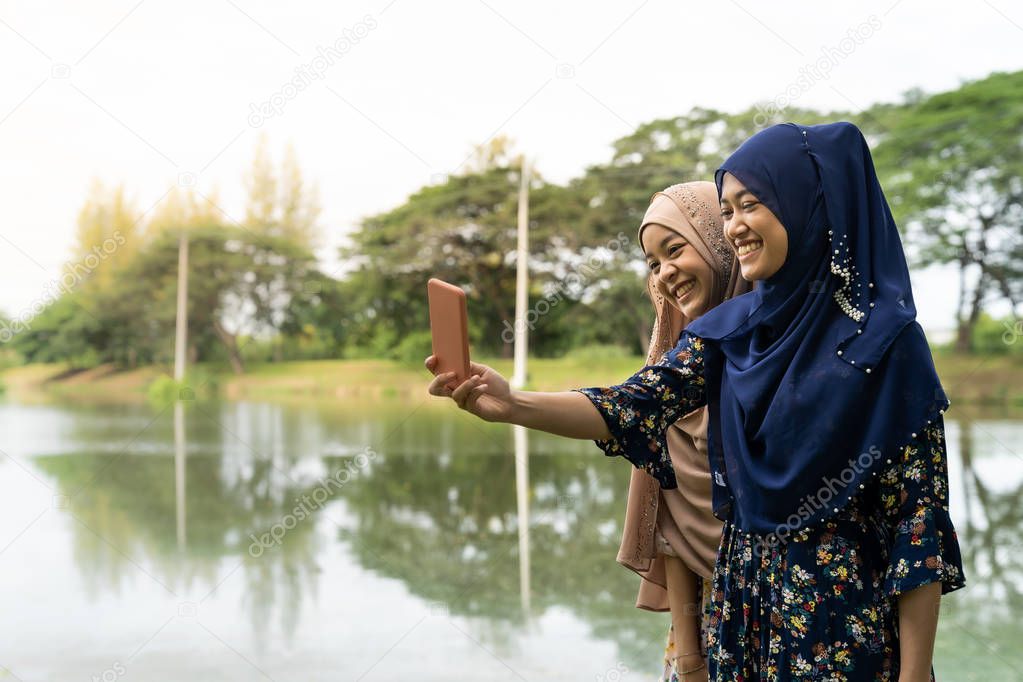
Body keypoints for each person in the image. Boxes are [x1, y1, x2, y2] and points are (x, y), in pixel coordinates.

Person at [426, 122, 964, 680]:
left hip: (842, 631)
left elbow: (916, 524)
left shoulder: (886, 343)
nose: (734, 226)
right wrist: (514, 404)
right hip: (740, 621)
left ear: (808, 202)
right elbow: (631, 405)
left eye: (750, 204)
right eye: (726, 210)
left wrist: (916, 671)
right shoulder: (729, 335)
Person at [626, 182, 750, 681]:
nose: (665, 273)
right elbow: (673, 531)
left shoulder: (779, 349)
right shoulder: (674, 374)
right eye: (653, 263)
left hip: (798, 626)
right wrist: (692, 658)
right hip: (704, 634)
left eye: (674, 250)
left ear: (719, 243)